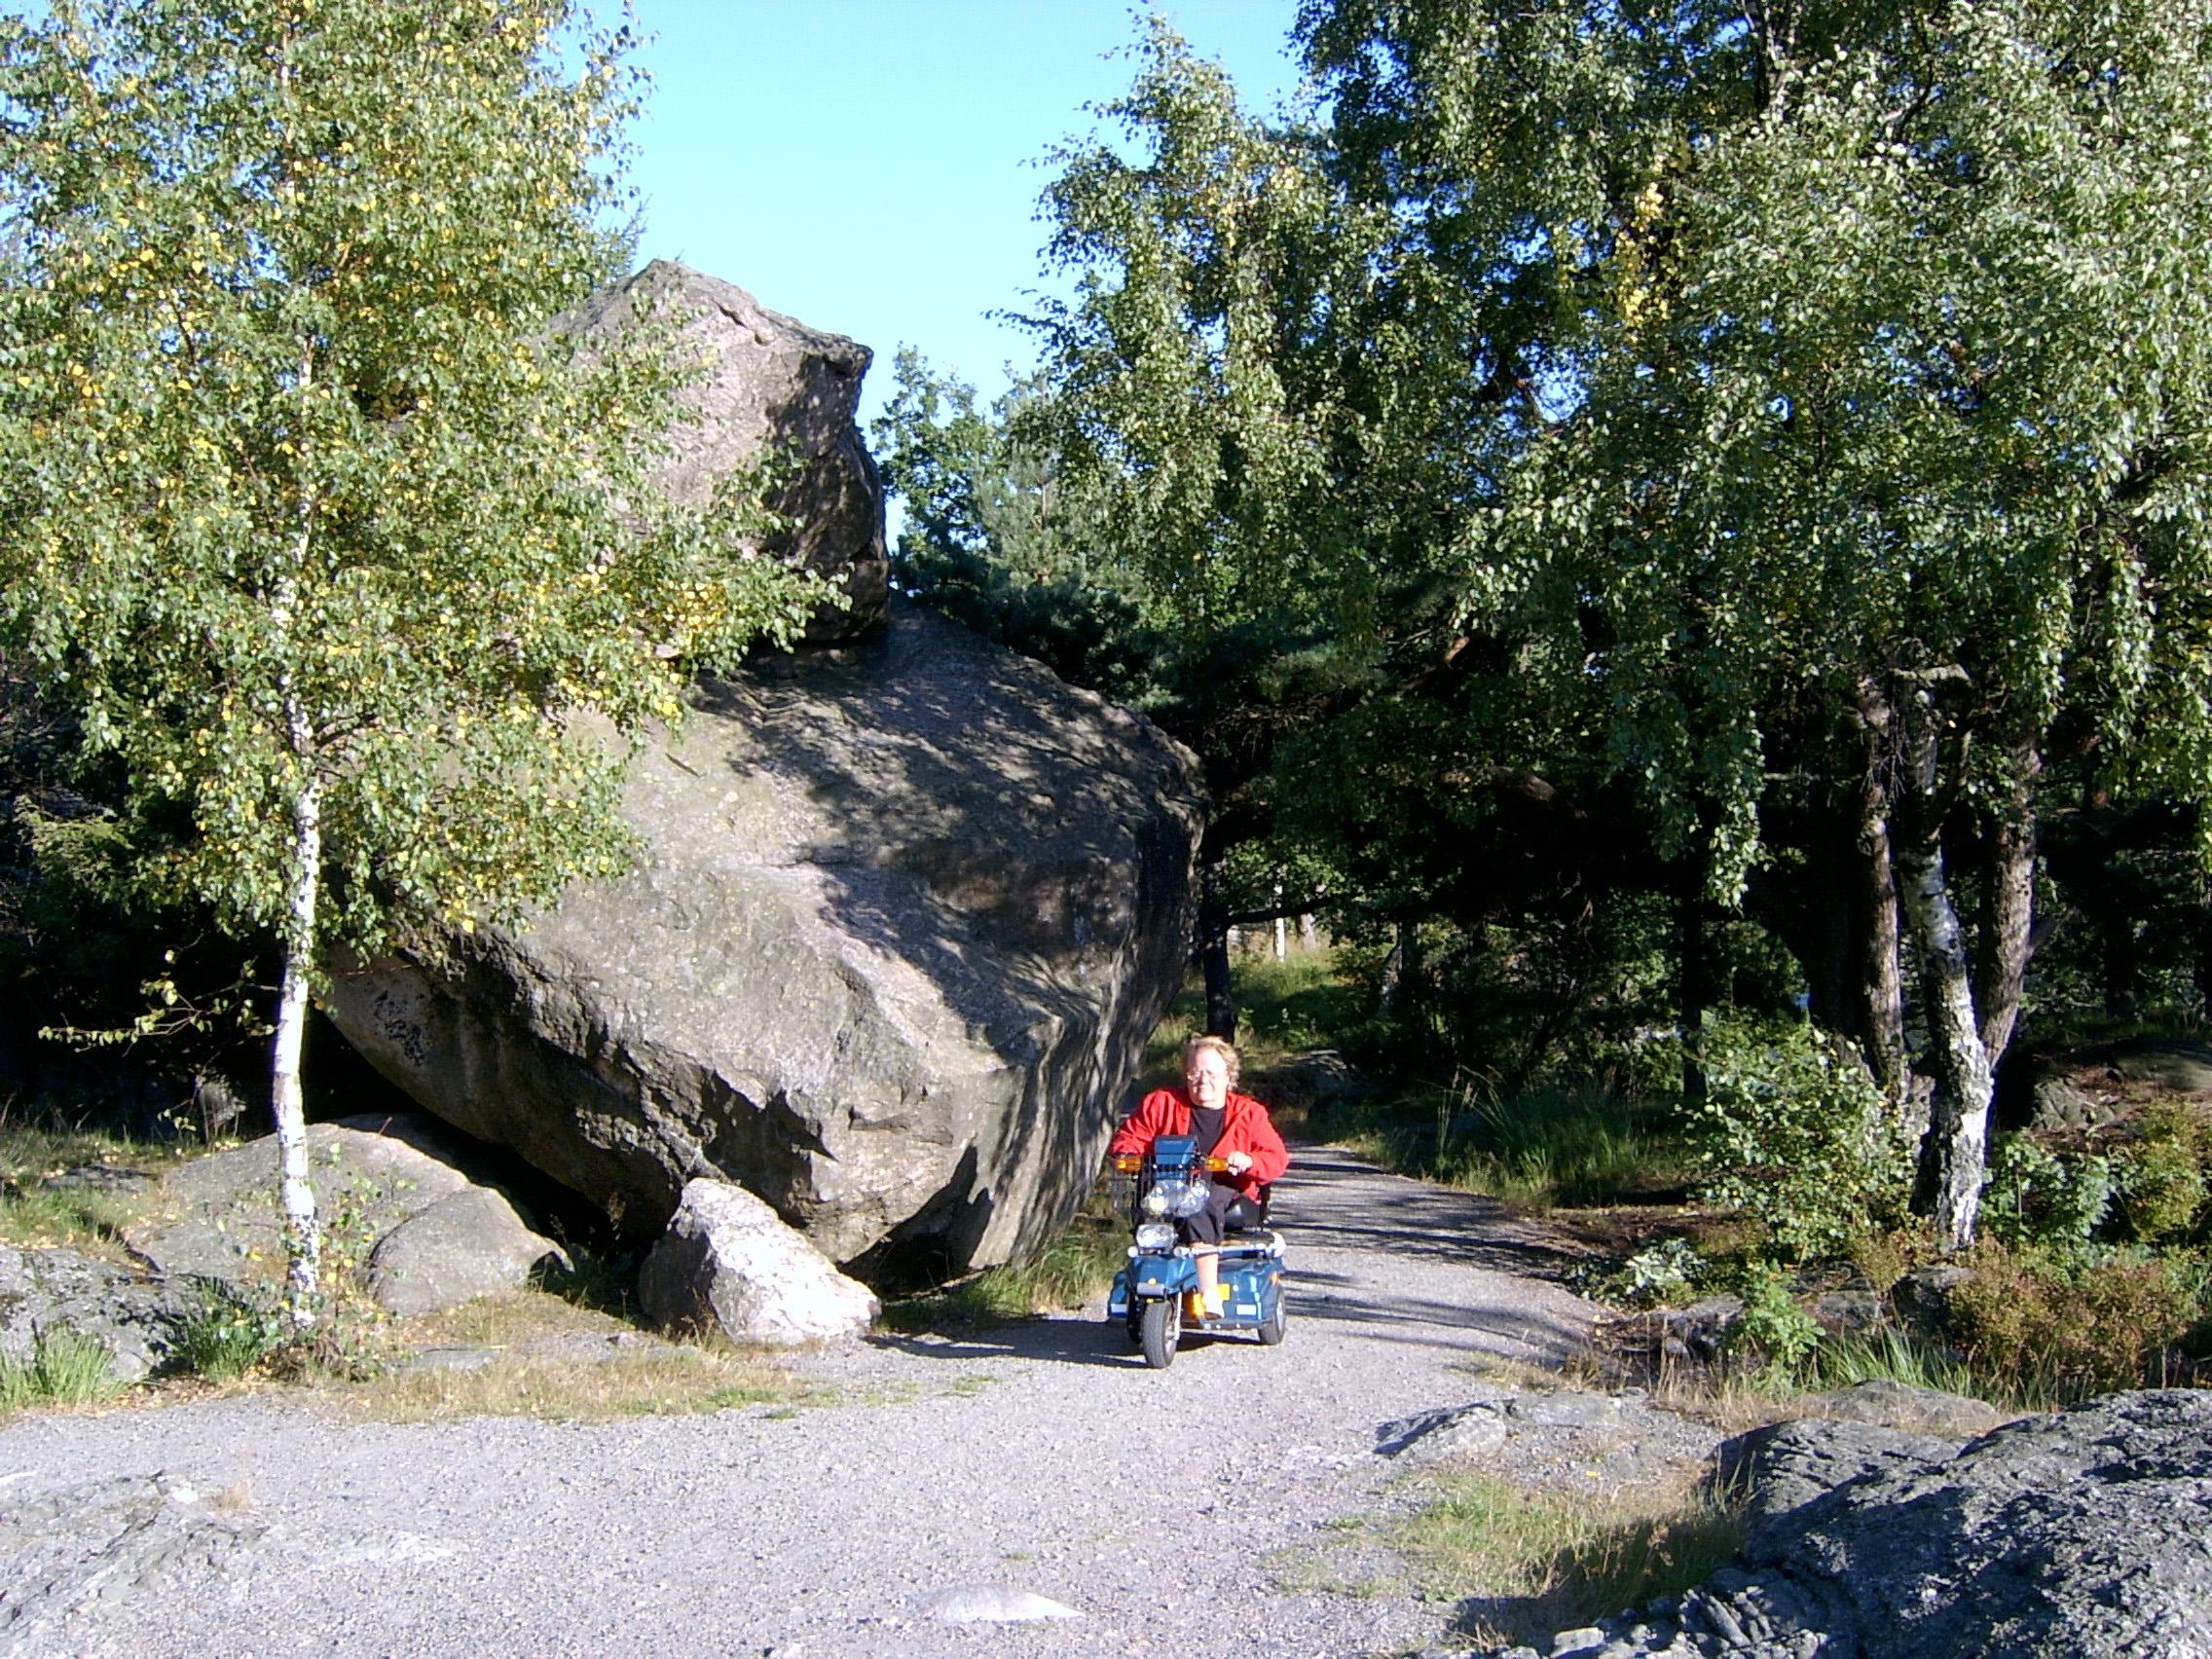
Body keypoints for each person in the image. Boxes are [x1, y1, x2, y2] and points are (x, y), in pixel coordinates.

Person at [1108, 1035, 1289, 1318]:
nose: (1202, 1080)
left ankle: (1209, 1291)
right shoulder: (1162, 1102)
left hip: (1224, 1189)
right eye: (1194, 1073)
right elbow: (1130, 1138)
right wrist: (1127, 1156)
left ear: (1229, 1076)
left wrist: (1248, 1160)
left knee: (1197, 1204)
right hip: (1170, 1186)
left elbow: (1276, 1159)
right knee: (1152, 1208)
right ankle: (1145, 1283)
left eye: (1211, 1073)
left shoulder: (1249, 1113)